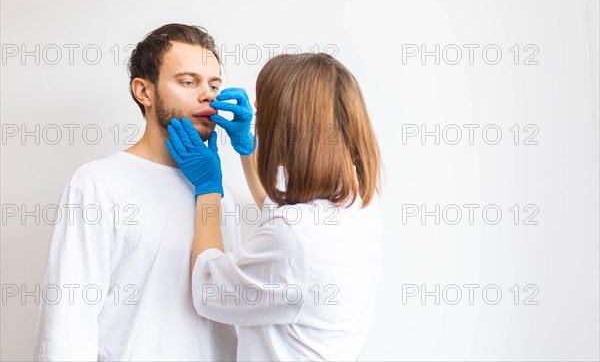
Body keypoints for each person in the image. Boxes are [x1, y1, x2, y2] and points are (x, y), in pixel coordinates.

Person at [33, 23, 241, 361]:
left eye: (214, 84)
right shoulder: (98, 185)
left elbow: (232, 302)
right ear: (143, 91)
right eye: (189, 82)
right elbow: (67, 325)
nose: (208, 95)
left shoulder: (218, 194)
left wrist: (251, 155)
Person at [166, 52, 383, 361]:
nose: (257, 114)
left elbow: (209, 288)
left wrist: (208, 189)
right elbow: (281, 210)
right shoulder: (359, 201)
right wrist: (246, 148)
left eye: (263, 111)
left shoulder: (293, 236)